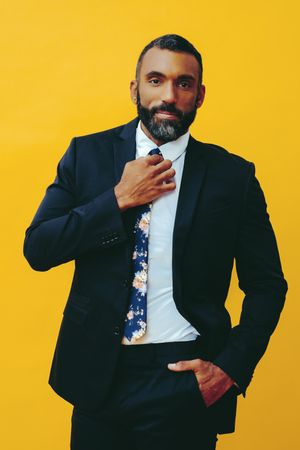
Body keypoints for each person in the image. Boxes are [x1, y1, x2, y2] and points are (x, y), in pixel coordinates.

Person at [23, 34, 288, 450]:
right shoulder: (86, 155)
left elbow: (268, 285)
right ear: (135, 88)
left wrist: (231, 368)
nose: (168, 95)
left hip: (183, 380)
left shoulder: (233, 177)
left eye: (183, 84)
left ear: (199, 96)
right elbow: (39, 248)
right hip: (98, 376)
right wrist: (118, 199)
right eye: (155, 79)